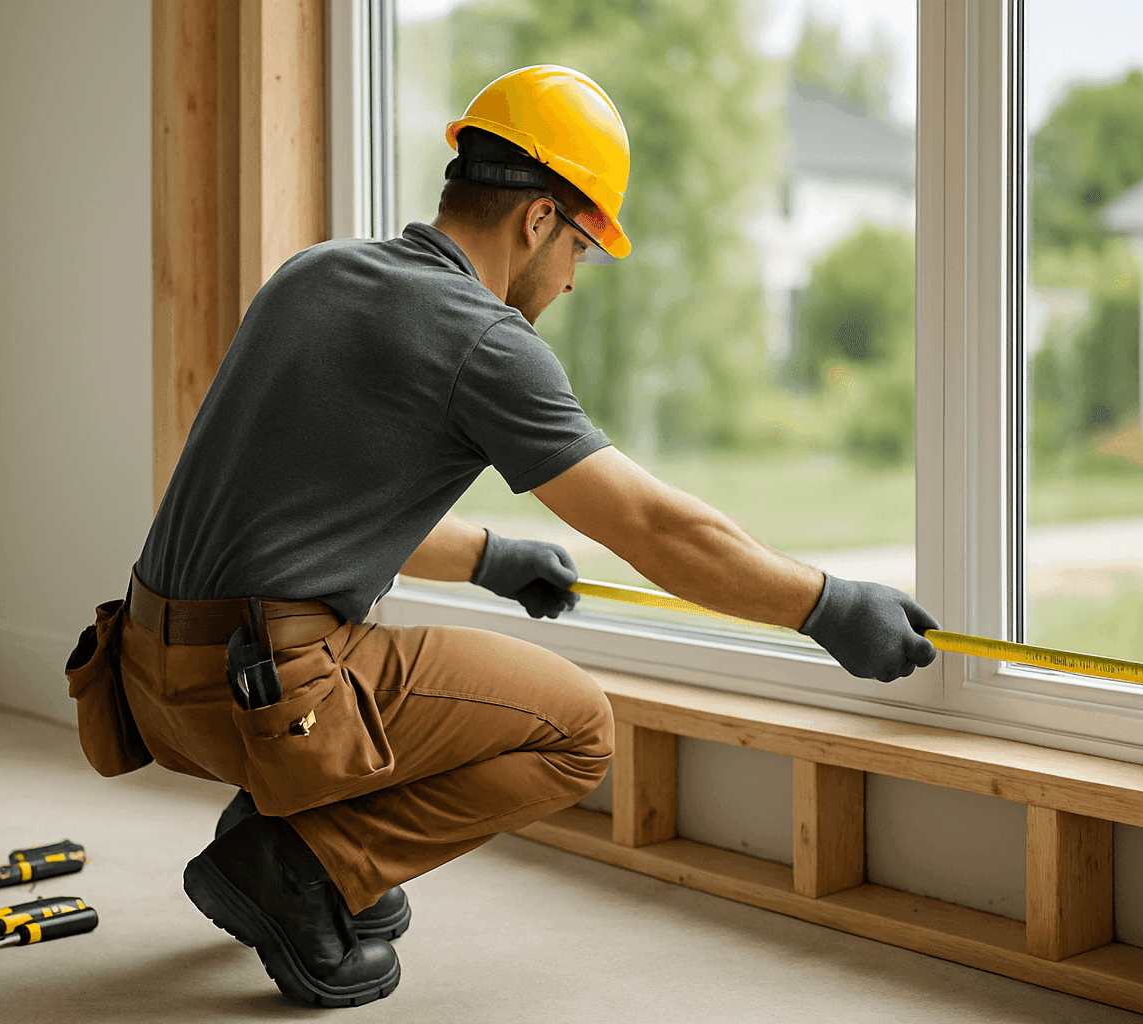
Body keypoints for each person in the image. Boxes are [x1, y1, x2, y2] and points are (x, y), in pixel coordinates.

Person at [106, 64, 939, 1008]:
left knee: (381, 722)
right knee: (578, 729)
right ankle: (295, 859)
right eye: (584, 244)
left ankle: (289, 831)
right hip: (260, 695)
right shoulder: (482, 340)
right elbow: (656, 527)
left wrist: (492, 558)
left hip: (151, 679)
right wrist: (825, 606)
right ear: (538, 219)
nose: (576, 279)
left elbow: (309, 521)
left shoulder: (319, 272)